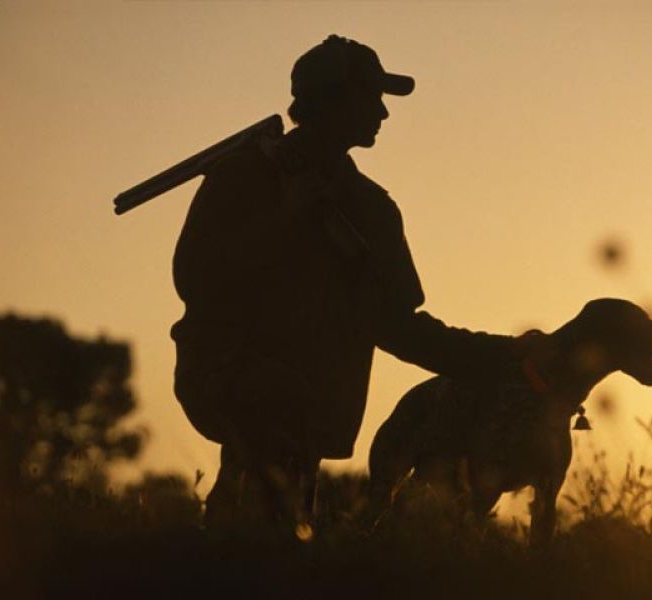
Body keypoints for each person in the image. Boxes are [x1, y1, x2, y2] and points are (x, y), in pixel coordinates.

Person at [170, 35, 552, 532]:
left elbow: (401, 328)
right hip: (227, 375)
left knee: (278, 528)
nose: (384, 114)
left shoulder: (371, 208)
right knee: (269, 448)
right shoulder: (243, 175)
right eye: (371, 98)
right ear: (332, 100)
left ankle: (242, 548)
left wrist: (508, 355)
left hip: (316, 400)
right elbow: (195, 278)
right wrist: (287, 217)